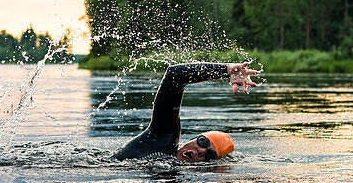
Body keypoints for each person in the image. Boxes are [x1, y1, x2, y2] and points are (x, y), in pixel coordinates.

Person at [109, 61, 260, 162]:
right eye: (203, 142)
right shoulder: (161, 138)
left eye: (210, 156)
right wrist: (226, 70)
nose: (201, 151)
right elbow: (174, 76)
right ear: (193, 139)